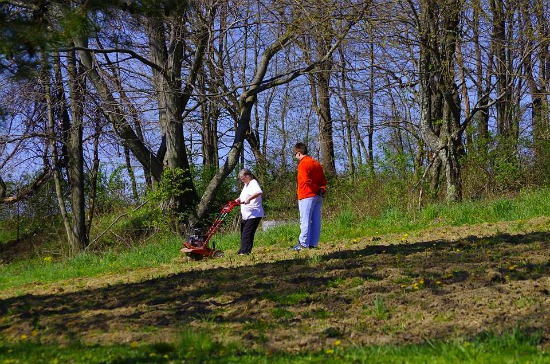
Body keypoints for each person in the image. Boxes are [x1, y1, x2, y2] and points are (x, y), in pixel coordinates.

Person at [290, 142, 327, 251]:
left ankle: (303, 244)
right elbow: (323, 180)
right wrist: (321, 189)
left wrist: (315, 188)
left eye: (295, 154)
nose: (295, 157)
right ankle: (313, 244)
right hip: (318, 195)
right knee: (316, 220)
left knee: (305, 220)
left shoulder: (303, 164)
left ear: (299, 153)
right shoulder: (316, 163)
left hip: (306, 195)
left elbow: (306, 180)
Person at [236, 168, 264, 255]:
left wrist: (249, 199)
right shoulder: (246, 185)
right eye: (240, 178)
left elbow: (258, 192)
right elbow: (244, 196)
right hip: (247, 214)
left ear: (248, 176)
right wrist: (238, 199)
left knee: (247, 233)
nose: (242, 180)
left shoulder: (253, 183)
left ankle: (245, 252)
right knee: (244, 232)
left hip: (254, 213)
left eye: (242, 178)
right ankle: (243, 249)